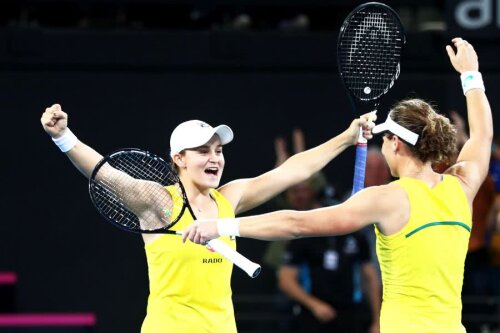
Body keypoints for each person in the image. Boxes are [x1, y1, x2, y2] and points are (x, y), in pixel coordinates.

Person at [183, 37, 493, 332]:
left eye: (384, 141)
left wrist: (221, 226)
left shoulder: (388, 199)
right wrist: (470, 74)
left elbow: (296, 223)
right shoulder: (462, 185)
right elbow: (481, 135)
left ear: (394, 142)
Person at [40, 106, 374, 332]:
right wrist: (62, 136)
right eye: (203, 151)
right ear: (179, 159)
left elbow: (292, 171)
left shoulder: (228, 198)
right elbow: (105, 174)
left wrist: (348, 136)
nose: (215, 158)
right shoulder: (159, 202)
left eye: (218, 150)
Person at [278, 231, 381, 333]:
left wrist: (377, 321)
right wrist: (314, 305)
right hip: (312, 313)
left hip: (351, 312)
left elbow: (371, 279)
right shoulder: (304, 237)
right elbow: (285, 280)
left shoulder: (357, 236)